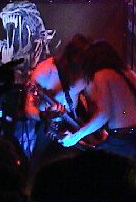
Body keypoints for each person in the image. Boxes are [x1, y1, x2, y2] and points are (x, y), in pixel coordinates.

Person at [58, 41, 136, 187]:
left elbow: (103, 114)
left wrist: (75, 137)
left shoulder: (102, 75)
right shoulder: (131, 75)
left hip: (121, 140)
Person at [23, 34, 91, 162]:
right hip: (49, 127)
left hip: (73, 125)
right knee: (41, 163)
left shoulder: (84, 72)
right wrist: (44, 115)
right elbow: (28, 109)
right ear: (73, 57)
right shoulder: (45, 70)